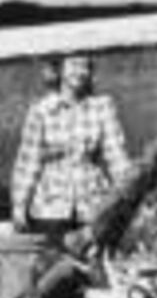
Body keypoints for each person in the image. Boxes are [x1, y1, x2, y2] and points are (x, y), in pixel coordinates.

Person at [9, 53, 129, 237]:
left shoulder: (102, 107)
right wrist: (19, 205)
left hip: (92, 204)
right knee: (52, 262)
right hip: (50, 208)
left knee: (92, 259)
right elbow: (28, 162)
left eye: (85, 66)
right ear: (60, 69)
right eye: (74, 65)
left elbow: (116, 157)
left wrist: (128, 195)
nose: (80, 72)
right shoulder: (42, 110)